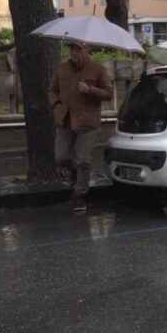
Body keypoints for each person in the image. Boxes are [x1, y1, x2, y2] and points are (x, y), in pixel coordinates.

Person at [48, 42, 114, 212]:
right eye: (72, 49)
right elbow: (52, 90)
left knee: (83, 160)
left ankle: (80, 194)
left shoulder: (98, 70)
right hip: (66, 119)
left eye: (78, 49)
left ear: (86, 50)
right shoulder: (62, 69)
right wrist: (56, 104)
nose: (74, 52)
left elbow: (109, 93)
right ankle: (75, 179)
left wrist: (90, 90)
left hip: (87, 121)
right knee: (61, 157)